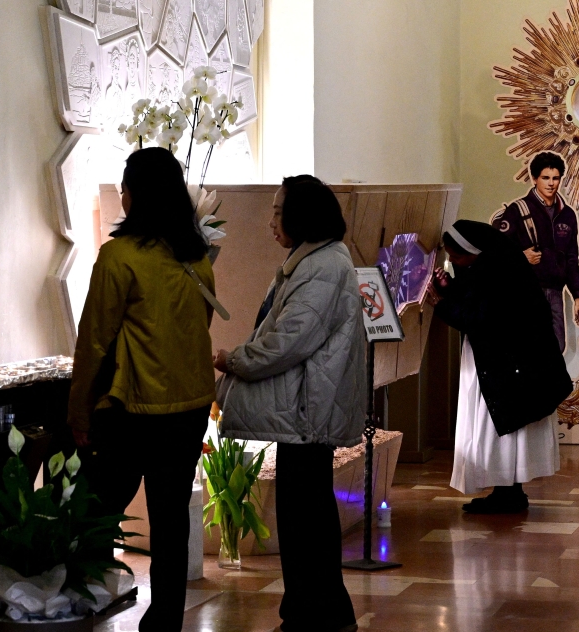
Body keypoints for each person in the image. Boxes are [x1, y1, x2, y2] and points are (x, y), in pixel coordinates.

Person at [67, 147, 216, 632]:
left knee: (94, 512)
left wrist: (80, 411)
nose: (122, 195)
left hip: (135, 408)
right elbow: (200, 324)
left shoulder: (118, 257)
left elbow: (94, 340)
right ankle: (165, 621)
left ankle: (77, 605)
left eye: (125, 187)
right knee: (171, 519)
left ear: (137, 196)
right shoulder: (196, 257)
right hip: (190, 404)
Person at [214, 175, 365, 632]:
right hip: (302, 411)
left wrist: (234, 360)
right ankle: (307, 610)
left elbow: (288, 341)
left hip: (307, 411)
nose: (271, 221)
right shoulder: (311, 261)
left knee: (308, 522)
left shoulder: (322, 266)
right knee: (303, 518)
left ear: (303, 216)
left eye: (279, 211)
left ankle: (321, 614)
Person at [428, 220, 572, 514]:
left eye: (457, 257)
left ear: (475, 251)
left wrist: (440, 304)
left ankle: (509, 492)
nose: (454, 263)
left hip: (509, 369)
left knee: (503, 430)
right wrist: (450, 287)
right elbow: (476, 301)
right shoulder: (493, 265)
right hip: (506, 364)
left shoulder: (498, 273)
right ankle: (507, 490)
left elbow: (478, 318)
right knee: (503, 432)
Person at [491, 151, 579, 350]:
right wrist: (520, 256)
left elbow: (571, 258)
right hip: (526, 289)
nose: (551, 183)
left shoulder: (567, 215)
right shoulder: (518, 210)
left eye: (555, 178)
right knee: (527, 346)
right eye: (545, 178)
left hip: (555, 290)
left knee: (557, 346)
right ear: (535, 179)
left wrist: (578, 296)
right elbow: (495, 250)